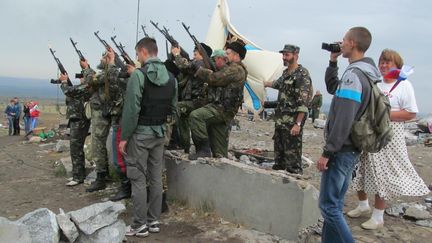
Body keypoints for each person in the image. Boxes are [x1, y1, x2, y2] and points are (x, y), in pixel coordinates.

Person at [348, 49, 430, 229]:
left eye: (388, 63)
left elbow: (410, 113)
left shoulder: (404, 85)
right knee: (360, 168)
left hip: (389, 135)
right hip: (368, 132)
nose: (384, 66)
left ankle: (378, 216)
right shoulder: (375, 82)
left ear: (397, 66)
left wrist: (383, 114)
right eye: (382, 62)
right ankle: (363, 205)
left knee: (382, 174)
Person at [317, 26, 379, 243]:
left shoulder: (354, 75)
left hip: (341, 149)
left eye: (344, 40)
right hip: (351, 148)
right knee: (334, 204)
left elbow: (344, 118)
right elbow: (334, 88)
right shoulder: (364, 73)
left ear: (353, 43)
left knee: (328, 206)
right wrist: (333, 61)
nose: (340, 43)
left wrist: (328, 151)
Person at [118, 37, 177, 237]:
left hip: (140, 135)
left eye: (137, 54)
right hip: (160, 134)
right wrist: (164, 129)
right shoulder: (171, 78)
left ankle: (139, 225)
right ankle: (154, 222)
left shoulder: (138, 76)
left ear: (143, 52)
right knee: (156, 177)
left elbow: (132, 110)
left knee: (138, 179)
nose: (137, 58)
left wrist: (124, 137)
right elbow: (174, 110)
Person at [188, 41, 247, 159]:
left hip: (222, 110)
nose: (226, 56)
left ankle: (203, 150)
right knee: (220, 154)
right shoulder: (232, 68)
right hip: (223, 111)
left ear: (236, 56)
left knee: (196, 116)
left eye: (228, 53)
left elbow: (215, 78)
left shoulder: (236, 69)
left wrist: (200, 70)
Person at [263, 44, 313, 174]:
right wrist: (262, 83)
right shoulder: (286, 74)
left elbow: (303, 103)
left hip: (292, 125)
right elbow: (277, 84)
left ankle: (295, 188)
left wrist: (297, 124)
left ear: (295, 56)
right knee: (279, 160)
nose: (284, 58)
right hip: (280, 123)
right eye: (283, 55)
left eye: (287, 55)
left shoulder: (302, 75)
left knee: (293, 162)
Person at [83, 49, 119, 192]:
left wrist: (86, 69)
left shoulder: (109, 72)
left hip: (103, 110)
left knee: (98, 143)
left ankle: (101, 177)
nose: (101, 58)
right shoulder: (109, 72)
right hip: (108, 109)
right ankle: (105, 174)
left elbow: (91, 79)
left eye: (104, 56)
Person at [172, 43, 212, 153]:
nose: (193, 57)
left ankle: (181, 144)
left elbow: (184, 66)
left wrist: (177, 55)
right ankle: (185, 146)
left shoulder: (201, 63)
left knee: (176, 108)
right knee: (183, 119)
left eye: (195, 54)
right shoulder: (199, 64)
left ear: (203, 55)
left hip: (197, 102)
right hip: (193, 101)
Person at [58, 70, 91, 186]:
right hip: (77, 120)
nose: (81, 79)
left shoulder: (86, 87)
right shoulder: (81, 88)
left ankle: (78, 177)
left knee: (76, 148)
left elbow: (68, 90)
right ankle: (78, 174)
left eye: (82, 77)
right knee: (76, 149)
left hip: (80, 121)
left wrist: (64, 81)